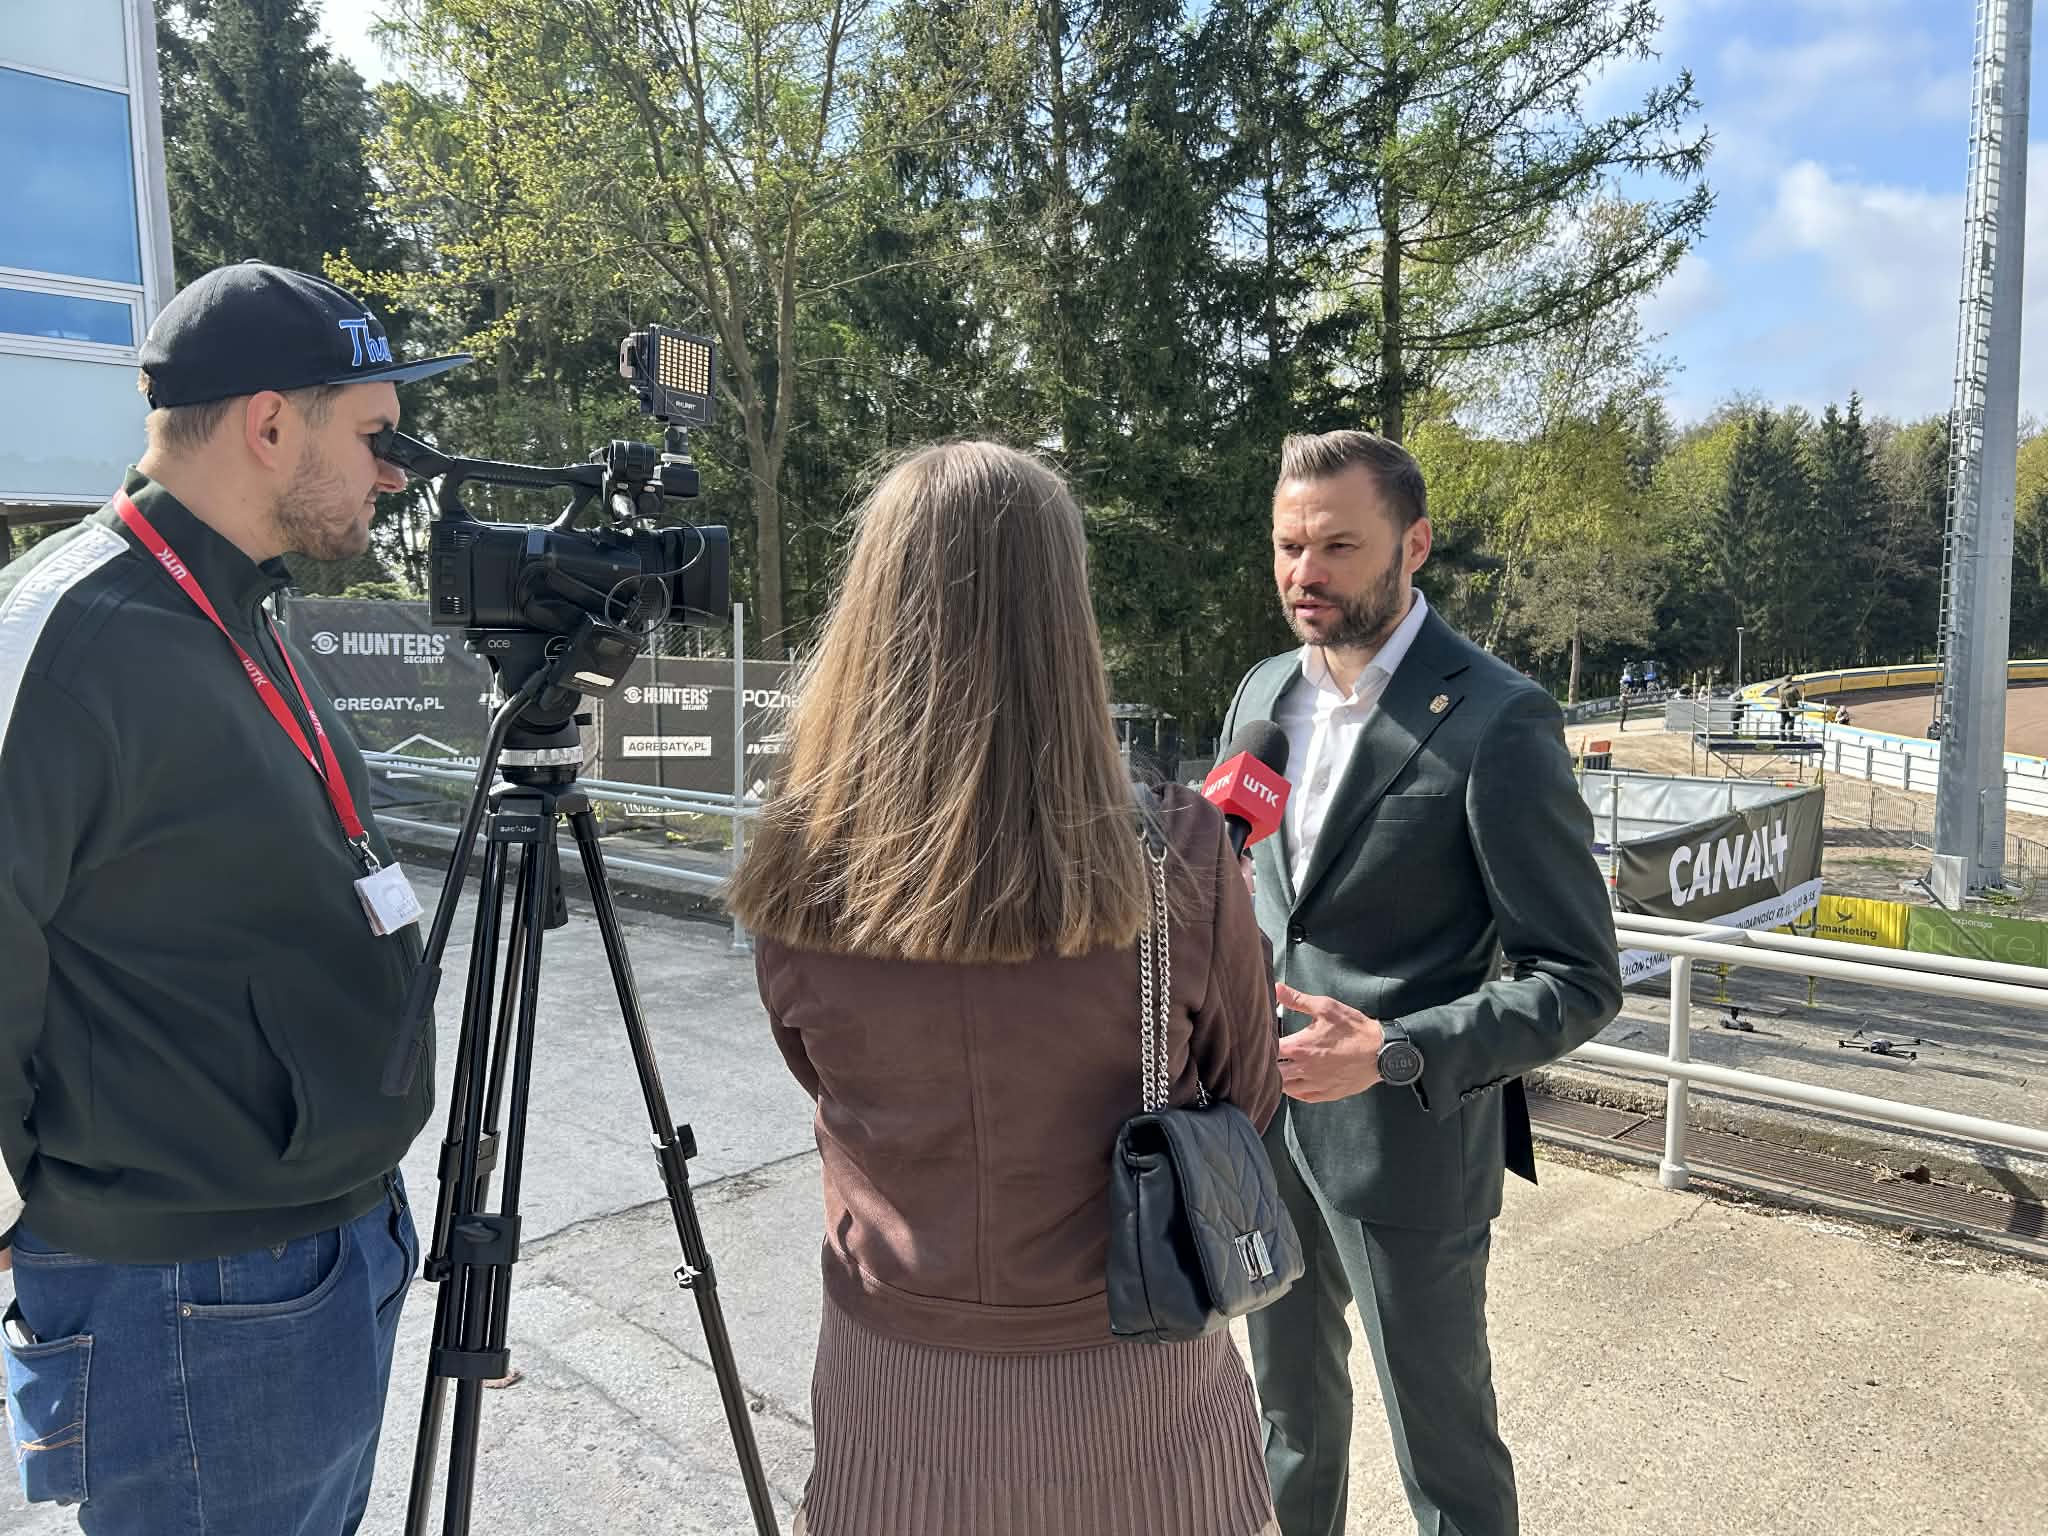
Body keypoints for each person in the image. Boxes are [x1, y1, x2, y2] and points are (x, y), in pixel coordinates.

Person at [728, 442, 1285, 1536]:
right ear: (1063, 616)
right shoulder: (1175, 851)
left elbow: (812, 1066)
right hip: (1134, 1369)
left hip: (895, 1374)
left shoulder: (798, 856)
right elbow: (1250, 1102)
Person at [0, 262, 470, 1534]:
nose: (395, 475)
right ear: (269, 425)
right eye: (374, 436)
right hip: (187, 1287)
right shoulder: (68, 627)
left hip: (324, 1246)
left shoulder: (238, 607)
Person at [1219, 429, 1623, 1536]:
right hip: (1260, 1131)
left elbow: (1578, 978)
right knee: (1286, 1422)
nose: (1305, 574)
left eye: (1338, 546)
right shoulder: (1264, 693)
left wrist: (1394, 1050)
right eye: (1288, 547)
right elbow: (1251, 891)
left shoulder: (1498, 719)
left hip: (1408, 1144)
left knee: (1443, 1453)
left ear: (1415, 545)